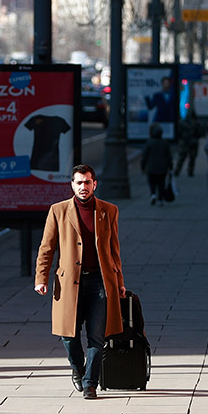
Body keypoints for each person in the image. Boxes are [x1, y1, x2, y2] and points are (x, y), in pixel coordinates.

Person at [34, 164, 127, 400]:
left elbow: (114, 251)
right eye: (79, 182)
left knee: (97, 336)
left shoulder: (109, 210)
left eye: (87, 182)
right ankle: (77, 368)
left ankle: (90, 384)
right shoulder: (58, 210)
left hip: (100, 282)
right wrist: (41, 278)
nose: (83, 186)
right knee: (68, 334)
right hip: (69, 283)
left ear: (94, 184)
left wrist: (119, 282)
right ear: (72, 185)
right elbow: (46, 248)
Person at [140, 124, 173, 204]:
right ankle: (160, 198)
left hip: (151, 167)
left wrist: (143, 166)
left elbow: (145, 155)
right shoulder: (165, 143)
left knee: (152, 182)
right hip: (162, 168)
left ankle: (153, 194)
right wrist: (170, 165)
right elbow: (168, 156)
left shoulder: (149, 142)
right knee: (161, 183)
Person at [174, 109, 205, 177]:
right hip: (193, 142)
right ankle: (190, 171)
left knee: (182, 157)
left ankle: (177, 171)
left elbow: (179, 133)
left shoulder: (182, 123)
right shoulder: (196, 124)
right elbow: (200, 133)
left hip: (184, 142)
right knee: (192, 158)